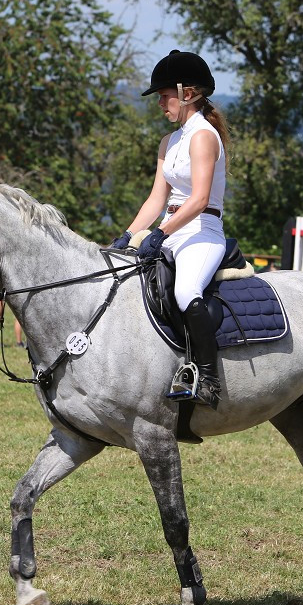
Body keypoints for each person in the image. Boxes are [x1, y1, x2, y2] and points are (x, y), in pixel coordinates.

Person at [110, 50, 231, 409]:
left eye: (165, 96)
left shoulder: (204, 136)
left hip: (202, 231)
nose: (161, 103)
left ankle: (208, 380)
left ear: (188, 93)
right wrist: (126, 236)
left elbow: (199, 198)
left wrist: (160, 233)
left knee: (185, 291)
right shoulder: (170, 141)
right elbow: (154, 200)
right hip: (172, 227)